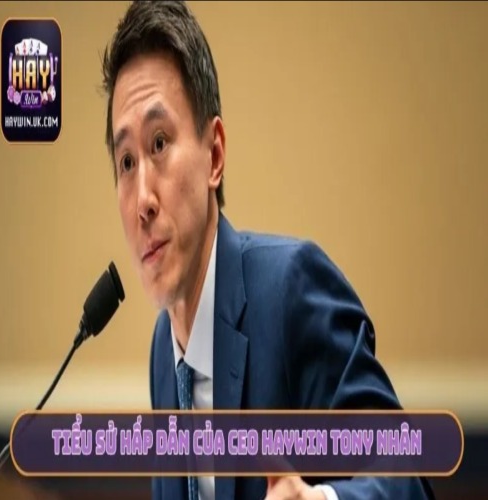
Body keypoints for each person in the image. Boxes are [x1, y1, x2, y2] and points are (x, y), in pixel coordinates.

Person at [101, 1, 435, 499]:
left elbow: (407, 478)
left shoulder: (289, 289)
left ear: (215, 155)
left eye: (160, 143)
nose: (142, 200)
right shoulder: (163, 349)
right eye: (126, 162)